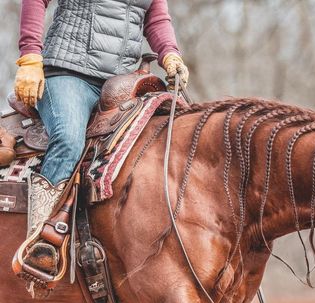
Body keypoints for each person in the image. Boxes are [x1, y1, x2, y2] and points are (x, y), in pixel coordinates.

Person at [13, 0, 189, 280]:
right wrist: (30, 56)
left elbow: (155, 17)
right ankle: (41, 242)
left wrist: (170, 54)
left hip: (122, 83)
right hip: (69, 73)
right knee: (69, 140)